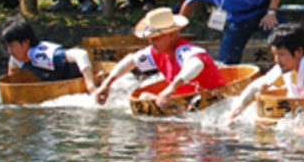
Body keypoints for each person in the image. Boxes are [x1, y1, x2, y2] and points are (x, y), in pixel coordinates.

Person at [93, 7, 226, 108]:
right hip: (186, 102)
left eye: (156, 38)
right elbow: (132, 61)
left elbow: (197, 64)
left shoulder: (187, 51)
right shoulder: (156, 52)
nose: (151, 42)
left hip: (211, 102)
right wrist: (106, 84)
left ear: (172, 35)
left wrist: (169, 90)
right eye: (150, 39)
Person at [225, 23, 304, 124]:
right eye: (275, 55)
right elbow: (257, 86)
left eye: (281, 55)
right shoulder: (289, 66)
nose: (277, 60)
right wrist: (233, 114)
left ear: (298, 52)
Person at [3, 16, 96, 93]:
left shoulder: (46, 54)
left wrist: (91, 86)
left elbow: (81, 54)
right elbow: (12, 82)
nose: (9, 52)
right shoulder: (15, 59)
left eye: (11, 46)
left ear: (25, 43)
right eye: (7, 47)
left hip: (77, 83)